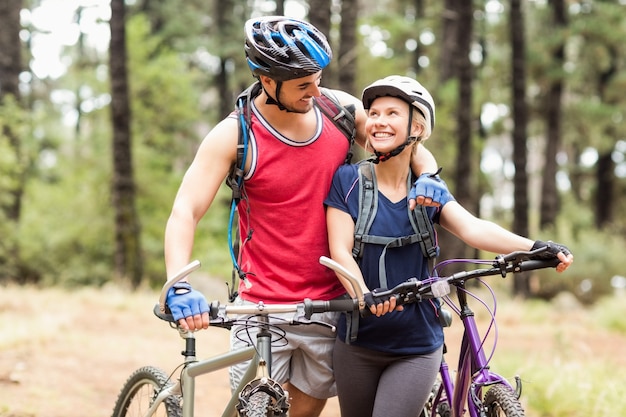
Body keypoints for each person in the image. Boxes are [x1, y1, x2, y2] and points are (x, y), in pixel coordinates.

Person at [162, 17, 449, 417]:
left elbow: (405, 139)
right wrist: (177, 284)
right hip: (262, 308)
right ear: (267, 81)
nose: (315, 91)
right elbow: (185, 211)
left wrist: (430, 174)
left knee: (305, 412)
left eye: (317, 79)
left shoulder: (338, 110)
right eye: (303, 85)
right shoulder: (235, 135)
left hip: (330, 307)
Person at [324, 75, 574, 417]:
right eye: (374, 113)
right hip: (357, 343)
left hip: (415, 347)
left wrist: (535, 247)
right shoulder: (348, 181)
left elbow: (473, 228)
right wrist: (364, 293)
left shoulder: (429, 191)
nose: (379, 121)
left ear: (418, 128)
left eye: (392, 113)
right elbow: (340, 250)